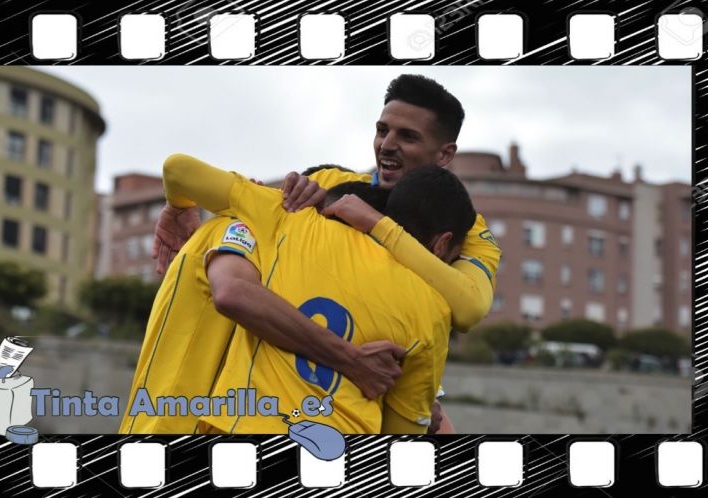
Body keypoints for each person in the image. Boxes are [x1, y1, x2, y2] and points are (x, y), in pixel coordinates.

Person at [152, 74, 502, 432]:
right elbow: (255, 220)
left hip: (374, 391)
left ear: (445, 153)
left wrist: (376, 225)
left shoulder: (468, 228)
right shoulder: (331, 182)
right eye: (383, 130)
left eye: (408, 136)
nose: (387, 144)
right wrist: (183, 208)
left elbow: (469, 306)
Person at [161, 153, 476, 433]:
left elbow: (178, 169)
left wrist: (177, 209)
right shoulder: (434, 311)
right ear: (442, 245)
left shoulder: (286, 219)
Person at [119, 195, 404, 434]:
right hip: (172, 424)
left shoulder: (288, 267)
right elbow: (232, 293)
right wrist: (350, 359)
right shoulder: (241, 227)